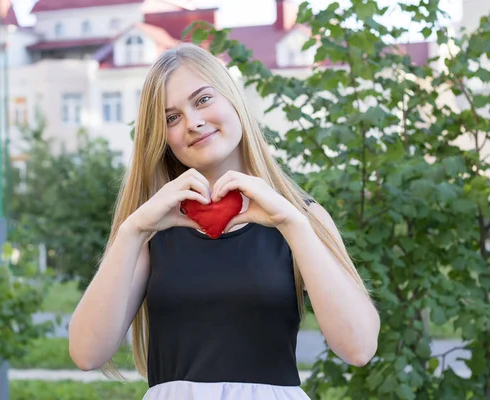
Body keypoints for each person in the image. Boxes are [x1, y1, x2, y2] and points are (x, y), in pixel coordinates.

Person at [68, 42, 380, 400]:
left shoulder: (300, 216)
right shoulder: (151, 228)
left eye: (202, 100)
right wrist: (132, 230)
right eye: (171, 117)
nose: (193, 122)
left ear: (233, 98)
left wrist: (293, 225)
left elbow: (358, 348)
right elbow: (86, 353)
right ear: (161, 137)